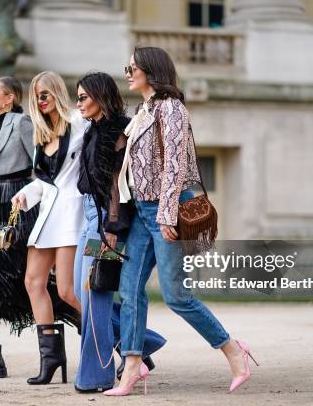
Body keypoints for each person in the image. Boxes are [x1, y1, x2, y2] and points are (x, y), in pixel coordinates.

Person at [104, 47, 258, 397]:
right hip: (141, 213)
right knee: (129, 291)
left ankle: (233, 349)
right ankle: (131, 368)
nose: (127, 72)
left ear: (151, 71)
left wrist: (166, 214)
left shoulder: (171, 108)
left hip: (163, 211)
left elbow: (174, 165)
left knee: (176, 295)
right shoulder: (142, 111)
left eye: (132, 67)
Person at [0, 76, 79, 381]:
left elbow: (41, 169)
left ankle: (113, 340)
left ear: (9, 97)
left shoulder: (23, 123)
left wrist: (33, 206)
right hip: (2, 207)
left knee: (47, 286)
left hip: (24, 211)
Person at [72, 72, 166, 393]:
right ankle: (140, 343)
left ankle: (95, 376)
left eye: (83, 97)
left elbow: (116, 183)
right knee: (79, 294)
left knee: (95, 296)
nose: (79, 103)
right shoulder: (92, 130)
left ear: (100, 97)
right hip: (88, 219)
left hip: (104, 222)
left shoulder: (118, 131)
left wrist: (112, 228)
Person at [11, 71, 87, 385]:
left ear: (57, 91)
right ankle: (52, 358)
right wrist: (24, 195)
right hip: (47, 217)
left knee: (69, 291)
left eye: (45, 94)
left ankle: (125, 342)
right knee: (33, 281)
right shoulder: (43, 135)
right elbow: (44, 183)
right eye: (36, 97)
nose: (41, 101)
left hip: (71, 215)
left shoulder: (79, 122)